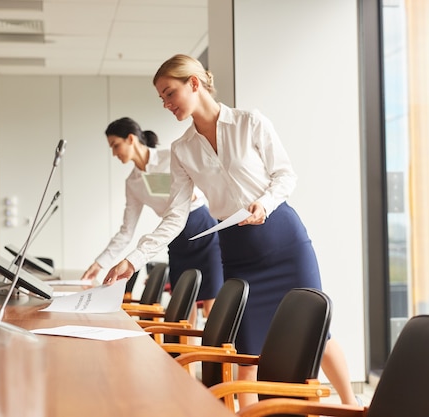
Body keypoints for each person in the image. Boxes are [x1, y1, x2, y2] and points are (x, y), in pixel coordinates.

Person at [102, 55, 359, 407]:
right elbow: (175, 216)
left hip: (284, 240)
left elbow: (285, 175)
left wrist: (263, 204)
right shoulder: (182, 150)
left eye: (169, 93)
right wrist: (133, 260)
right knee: (247, 351)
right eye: (161, 98)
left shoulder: (249, 122)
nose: (166, 104)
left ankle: (352, 406)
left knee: (318, 334)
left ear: (194, 83)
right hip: (238, 252)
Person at [82, 117, 224, 325]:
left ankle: (218, 357)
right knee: (185, 308)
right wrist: (99, 262)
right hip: (174, 237)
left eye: (116, 145)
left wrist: (197, 192)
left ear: (131, 139)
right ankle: (189, 357)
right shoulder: (133, 182)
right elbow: (126, 231)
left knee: (212, 306)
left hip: (202, 229)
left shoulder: (171, 157)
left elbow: (209, 180)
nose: (114, 153)